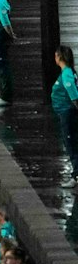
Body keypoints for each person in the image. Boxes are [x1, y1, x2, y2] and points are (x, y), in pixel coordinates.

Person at [52, 44, 78, 185]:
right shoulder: (69, 72)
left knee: (71, 144)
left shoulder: (66, 74)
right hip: (66, 113)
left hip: (67, 114)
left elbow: (73, 94)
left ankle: (76, 174)